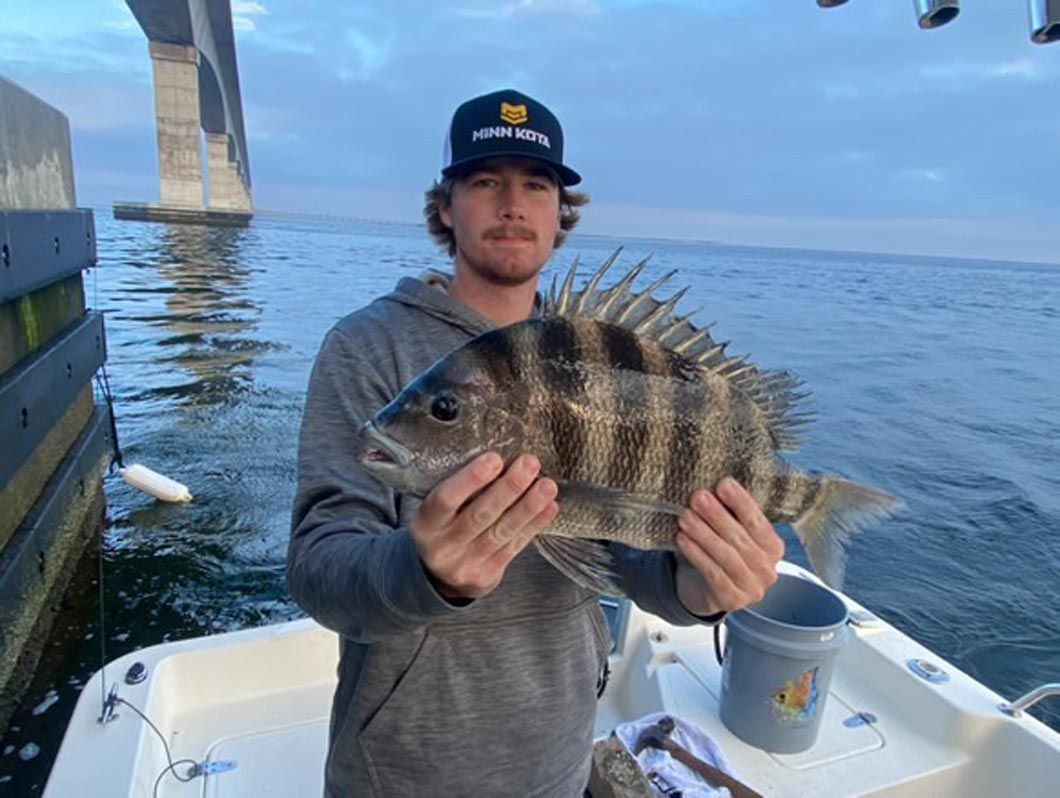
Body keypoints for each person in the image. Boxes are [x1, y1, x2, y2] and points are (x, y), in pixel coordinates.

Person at [287, 88, 785, 798]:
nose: (512, 204)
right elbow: (318, 566)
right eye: (485, 181)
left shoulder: (611, 359)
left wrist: (698, 586)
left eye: (536, 184)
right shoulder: (368, 348)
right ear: (446, 207)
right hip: (399, 772)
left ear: (560, 217)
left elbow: (628, 556)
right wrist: (423, 570)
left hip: (556, 759)